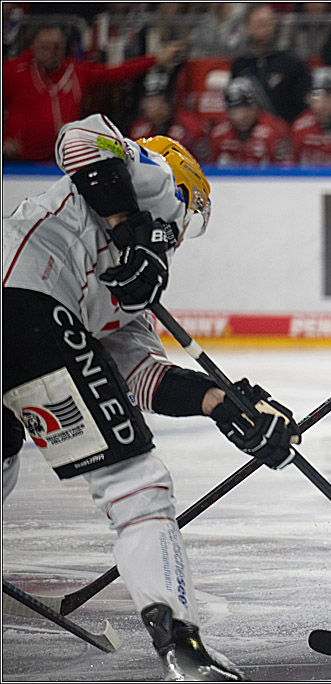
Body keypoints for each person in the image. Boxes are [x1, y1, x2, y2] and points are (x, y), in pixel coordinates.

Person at [2, 116, 300, 679]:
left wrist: (222, 402)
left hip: (22, 325)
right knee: (136, 484)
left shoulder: (128, 297)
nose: (183, 236)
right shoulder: (155, 178)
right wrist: (133, 228)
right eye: (190, 222)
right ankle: (180, 646)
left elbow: (141, 374)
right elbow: (79, 137)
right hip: (21, 302)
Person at [2, 23, 183, 161]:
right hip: (19, 160)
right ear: (33, 46)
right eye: (45, 47)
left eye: (57, 47)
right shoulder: (12, 72)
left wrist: (156, 59)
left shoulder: (76, 72)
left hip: (63, 160)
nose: (51, 53)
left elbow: (116, 72)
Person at [230, 4, 311, 124]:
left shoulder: (292, 62)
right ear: (248, 28)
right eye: (260, 24)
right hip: (250, 136)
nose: (266, 28)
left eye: (270, 22)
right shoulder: (240, 65)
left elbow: (305, 104)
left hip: (285, 132)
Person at [129, 71, 211, 163]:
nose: (154, 107)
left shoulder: (192, 126)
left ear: (169, 100)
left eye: (158, 100)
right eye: (149, 101)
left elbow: (205, 164)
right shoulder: (138, 130)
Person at [209, 77, 292, 166]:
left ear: (255, 107)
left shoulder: (275, 130)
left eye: (245, 110)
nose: (239, 116)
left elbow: (285, 170)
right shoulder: (218, 134)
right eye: (233, 111)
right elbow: (210, 170)